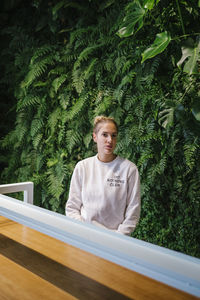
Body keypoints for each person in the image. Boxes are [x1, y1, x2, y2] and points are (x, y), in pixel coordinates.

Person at [65, 116, 141, 235]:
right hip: (84, 235)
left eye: (113, 135)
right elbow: (72, 208)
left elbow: (133, 211)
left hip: (116, 239)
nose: (110, 140)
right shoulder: (83, 167)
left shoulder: (129, 169)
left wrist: (118, 237)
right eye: (105, 135)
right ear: (95, 137)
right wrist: (83, 231)